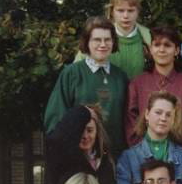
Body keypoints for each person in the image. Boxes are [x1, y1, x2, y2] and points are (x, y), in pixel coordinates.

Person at [44, 16, 128, 158]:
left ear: (113, 42)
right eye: (97, 40)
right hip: (77, 156)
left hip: (114, 157)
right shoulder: (72, 73)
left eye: (107, 39)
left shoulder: (120, 77)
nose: (103, 44)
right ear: (87, 42)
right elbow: (55, 118)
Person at [126, 25, 182, 148]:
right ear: (151, 49)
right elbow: (131, 123)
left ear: (177, 50)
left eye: (167, 45)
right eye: (157, 45)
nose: (161, 50)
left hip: (180, 154)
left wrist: (179, 151)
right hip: (143, 153)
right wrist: (145, 151)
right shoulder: (137, 84)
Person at [46, 105, 117, 184]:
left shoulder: (106, 161)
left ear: (97, 132)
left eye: (89, 130)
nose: (85, 136)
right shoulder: (65, 159)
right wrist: (83, 112)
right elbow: (55, 139)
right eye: (80, 131)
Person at [73, 0, 152, 81]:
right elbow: (75, 72)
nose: (126, 16)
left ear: (137, 12)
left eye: (130, 11)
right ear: (112, 12)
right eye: (120, 10)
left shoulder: (149, 38)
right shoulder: (98, 36)